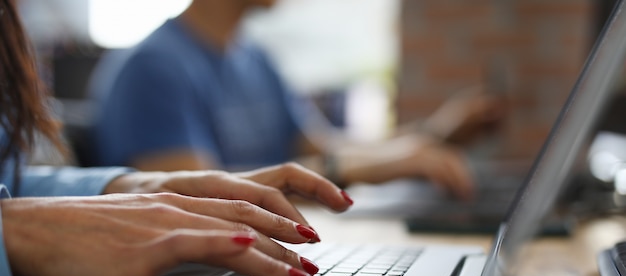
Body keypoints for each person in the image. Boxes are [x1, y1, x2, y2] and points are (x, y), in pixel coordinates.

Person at [0, 0, 353, 276]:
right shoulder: (155, 63)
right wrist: (13, 232)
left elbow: (7, 179)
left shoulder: (258, 57)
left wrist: (128, 189)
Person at [88, 0, 506, 201]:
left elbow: (322, 147)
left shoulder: (255, 59)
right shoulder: (151, 69)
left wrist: (433, 134)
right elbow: (193, 197)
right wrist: (364, 168)